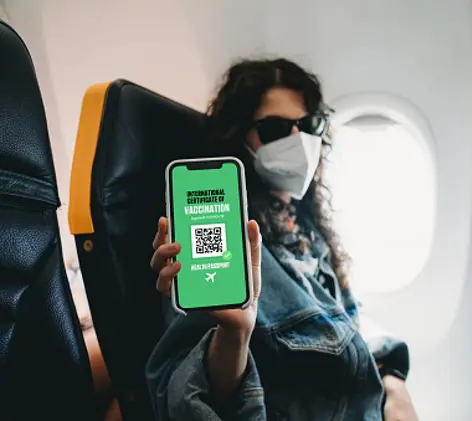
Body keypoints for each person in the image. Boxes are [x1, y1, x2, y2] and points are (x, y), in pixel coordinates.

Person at [146, 57, 419, 420]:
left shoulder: (306, 230)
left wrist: (393, 382)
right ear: (239, 137)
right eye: (274, 128)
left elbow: (350, 318)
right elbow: (195, 402)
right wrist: (235, 334)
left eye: (309, 125)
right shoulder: (228, 240)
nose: (298, 139)